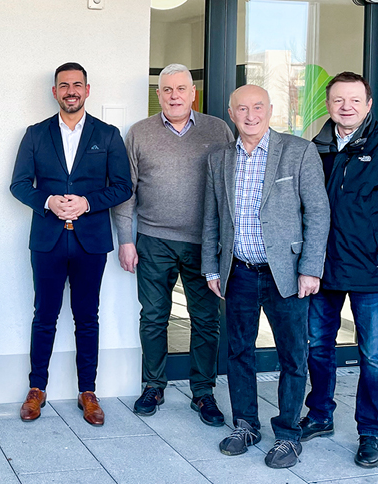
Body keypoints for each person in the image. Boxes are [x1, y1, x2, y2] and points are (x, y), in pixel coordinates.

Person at [202, 85, 329, 469]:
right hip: (238, 271)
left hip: (286, 274)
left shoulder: (299, 151)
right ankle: (246, 425)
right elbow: (211, 218)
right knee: (239, 351)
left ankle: (288, 434)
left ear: (270, 110)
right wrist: (211, 266)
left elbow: (318, 214)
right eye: (242, 108)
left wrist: (310, 267)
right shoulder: (219, 158)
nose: (250, 114)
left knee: (293, 354)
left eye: (258, 107)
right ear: (231, 112)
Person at [10, 62, 132, 426]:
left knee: (87, 317)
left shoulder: (108, 135)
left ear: (87, 90)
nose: (71, 91)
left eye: (77, 85)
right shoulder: (34, 134)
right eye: (64, 85)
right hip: (46, 240)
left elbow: (124, 186)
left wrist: (88, 202)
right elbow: (18, 185)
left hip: (90, 241)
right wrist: (47, 201)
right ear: (55, 92)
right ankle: (36, 389)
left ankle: (88, 392)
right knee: (44, 316)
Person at [114, 63, 233, 424]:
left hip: (204, 242)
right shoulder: (139, 133)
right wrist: (126, 241)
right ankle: (153, 384)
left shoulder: (218, 129)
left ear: (193, 93)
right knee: (153, 317)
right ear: (159, 94)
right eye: (167, 90)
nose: (175, 95)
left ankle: (203, 393)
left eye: (182, 89)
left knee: (206, 319)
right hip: (153, 240)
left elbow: (231, 187)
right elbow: (126, 192)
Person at [301, 72, 378, 468]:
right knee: (317, 347)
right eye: (339, 99)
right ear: (328, 104)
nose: (346, 106)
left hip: (373, 270)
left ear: (369, 104)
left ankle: (370, 430)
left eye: (355, 100)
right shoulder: (316, 147)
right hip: (322, 268)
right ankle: (321, 414)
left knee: (374, 356)